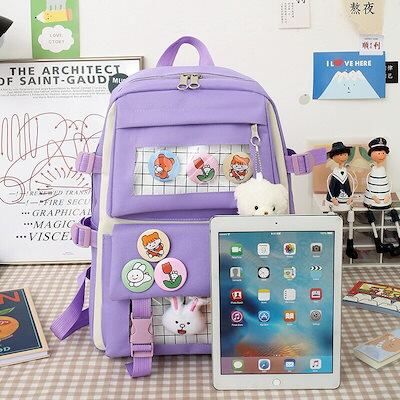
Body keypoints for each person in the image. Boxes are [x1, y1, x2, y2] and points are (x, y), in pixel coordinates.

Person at [363, 137, 391, 209]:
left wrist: (388, 195)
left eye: (383, 153)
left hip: (385, 199)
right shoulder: (373, 170)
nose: (381, 155)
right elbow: (369, 185)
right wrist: (373, 196)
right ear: (371, 154)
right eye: (379, 153)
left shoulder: (383, 169)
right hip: (371, 199)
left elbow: (389, 183)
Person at [326, 142, 354, 207]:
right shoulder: (335, 172)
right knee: (333, 185)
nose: (343, 157)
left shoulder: (345, 170)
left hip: (346, 200)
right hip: (335, 200)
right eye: (340, 155)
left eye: (345, 154)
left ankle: (348, 197)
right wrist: (332, 197)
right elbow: (332, 187)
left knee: (346, 184)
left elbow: (347, 186)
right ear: (333, 157)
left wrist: (350, 196)